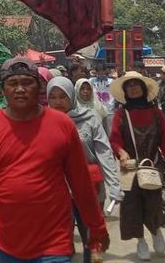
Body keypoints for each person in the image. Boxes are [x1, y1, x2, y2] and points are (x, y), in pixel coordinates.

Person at [0, 57, 108, 263]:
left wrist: (97, 226)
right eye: (13, 83)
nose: (20, 89)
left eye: (27, 83)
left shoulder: (62, 125)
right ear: (3, 89)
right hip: (7, 243)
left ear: (39, 87)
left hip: (54, 242)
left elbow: (81, 183)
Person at [109, 71, 165, 261]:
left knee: (154, 204)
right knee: (132, 207)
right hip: (130, 169)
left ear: (143, 88)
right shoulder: (121, 114)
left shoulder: (157, 114)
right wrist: (121, 152)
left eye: (136, 84)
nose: (133, 88)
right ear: (125, 91)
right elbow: (114, 140)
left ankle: (156, 231)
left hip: (152, 167)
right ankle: (140, 240)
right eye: (129, 85)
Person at [47, 77, 121, 263]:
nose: (57, 102)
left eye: (62, 96)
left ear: (71, 96)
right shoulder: (43, 121)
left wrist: (114, 186)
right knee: (60, 240)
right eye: (53, 97)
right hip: (57, 191)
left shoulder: (90, 119)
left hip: (88, 189)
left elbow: (104, 152)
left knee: (91, 238)